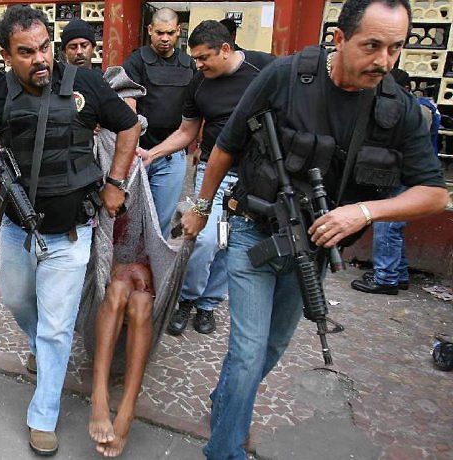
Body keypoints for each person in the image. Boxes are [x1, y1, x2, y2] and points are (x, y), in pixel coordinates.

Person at [179, 1, 448, 458]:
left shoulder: (395, 106)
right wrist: (202, 209)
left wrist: (362, 213)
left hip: (314, 249)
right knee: (246, 352)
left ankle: (225, 404)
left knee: (272, 349)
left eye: (396, 48)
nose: (384, 60)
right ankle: (224, 451)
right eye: (372, 45)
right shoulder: (284, 77)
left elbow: (434, 193)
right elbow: (226, 147)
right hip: (254, 231)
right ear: (340, 39)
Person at [0, 5, 139, 456]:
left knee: (57, 329)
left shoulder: (85, 84)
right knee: (17, 299)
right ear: (5, 54)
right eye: (26, 52)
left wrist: (115, 182)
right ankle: (43, 346)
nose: (40, 59)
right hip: (19, 229)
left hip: (71, 232)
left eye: (45, 48)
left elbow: (129, 125)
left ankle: (43, 415)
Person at [142, 20, 275, 336]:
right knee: (204, 240)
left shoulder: (265, 70)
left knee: (231, 244)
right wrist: (153, 153)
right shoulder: (199, 83)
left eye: (203, 58)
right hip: (213, 175)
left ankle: (208, 305)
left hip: (254, 180)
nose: (198, 65)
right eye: (196, 58)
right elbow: (187, 132)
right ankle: (187, 299)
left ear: (226, 49)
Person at [351, 67, 441, 295]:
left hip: (406, 175)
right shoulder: (424, 107)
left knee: (387, 225)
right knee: (393, 226)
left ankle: (386, 278)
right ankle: (397, 274)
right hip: (410, 174)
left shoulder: (416, 109)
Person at [123, 7, 196, 239]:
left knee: (160, 226)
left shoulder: (188, 64)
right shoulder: (136, 60)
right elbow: (128, 104)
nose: (165, 38)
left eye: (170, 33)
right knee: (130, 222)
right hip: (139, 151)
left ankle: (155, 273)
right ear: (150, 30)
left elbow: (197, 109)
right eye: (160, 33)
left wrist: (200, 145)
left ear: (178, 32)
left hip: (171, 155)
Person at [89, 256, 153, 458]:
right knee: (116, 291)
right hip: (114, 263)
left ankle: (127, 409)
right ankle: (99, 395)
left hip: (155, 269)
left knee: (141, 301)